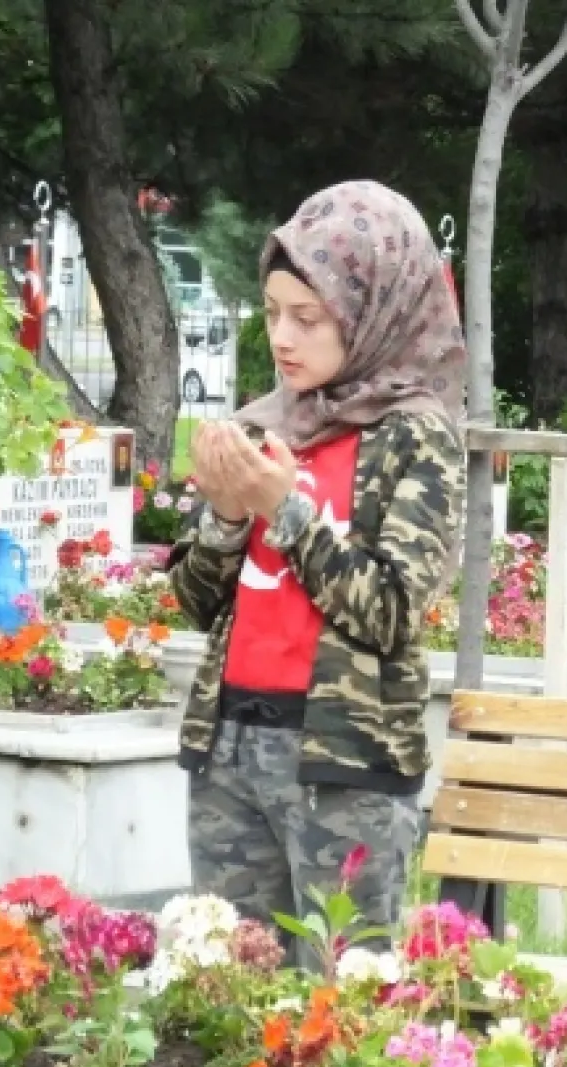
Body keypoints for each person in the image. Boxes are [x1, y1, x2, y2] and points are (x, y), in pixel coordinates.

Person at [169, 179, 467, 947]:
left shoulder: (417, 434)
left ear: (371, 313)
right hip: (231, 742)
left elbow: (392, 611)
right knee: (225, 1000)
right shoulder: (267, 425)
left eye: (307, 317)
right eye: (271, 314)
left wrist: (285, 509)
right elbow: (197, 604)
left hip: (344, 764)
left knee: (340, 1002)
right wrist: (229, 517)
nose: (282, 338)